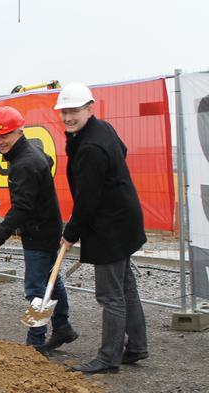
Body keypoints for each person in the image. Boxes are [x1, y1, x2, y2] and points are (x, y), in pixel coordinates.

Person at [55, 83, 149, 374]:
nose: (68, 117)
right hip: (125, 217)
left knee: (110, 295)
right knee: (126, 287)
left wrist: (70, 233)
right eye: (65, 112)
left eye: (74, 111)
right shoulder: (101, 129)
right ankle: (136, 346)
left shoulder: (90, 148)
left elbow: (87, 201)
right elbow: (122, 150)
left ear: (89, 108)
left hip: (109, 226)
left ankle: (109, 357)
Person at [0, 106, 78, 354]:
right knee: (51, 280)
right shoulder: (29, 153)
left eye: (6, 135)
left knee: (36, 287)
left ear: (19, 131)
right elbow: (45, 163)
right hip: (47, 226)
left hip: (39, 230)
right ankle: (63, 326)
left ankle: (36, 342)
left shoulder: (23, 163)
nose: (1, 141)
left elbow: (21, 207)